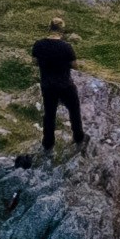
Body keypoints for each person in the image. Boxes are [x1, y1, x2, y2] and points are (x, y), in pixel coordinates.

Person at [29, 19, 84, 155]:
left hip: (48, 85)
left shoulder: (39, 45)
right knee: (74, 110)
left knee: (49, 115)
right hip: (65, 85)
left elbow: (34, 62)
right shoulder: (66, 47)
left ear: (50, 28)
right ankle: (78, 137)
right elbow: (75, 65)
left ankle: (48, 144)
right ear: (61, 30)